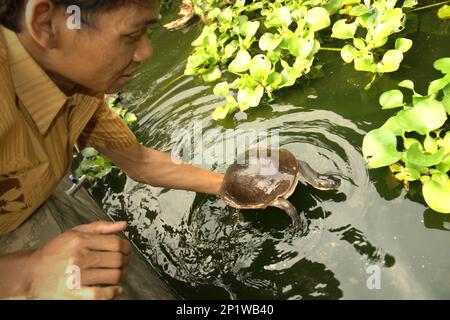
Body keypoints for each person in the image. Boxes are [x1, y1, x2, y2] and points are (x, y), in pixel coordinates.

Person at [0, 0, 224, 299]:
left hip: (30, 199)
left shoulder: (77, 83)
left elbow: (141, 162)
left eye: (147, 31)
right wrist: (26, 274)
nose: (146, 52)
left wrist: (233, 187)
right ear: (46, 24)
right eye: (131, 36)